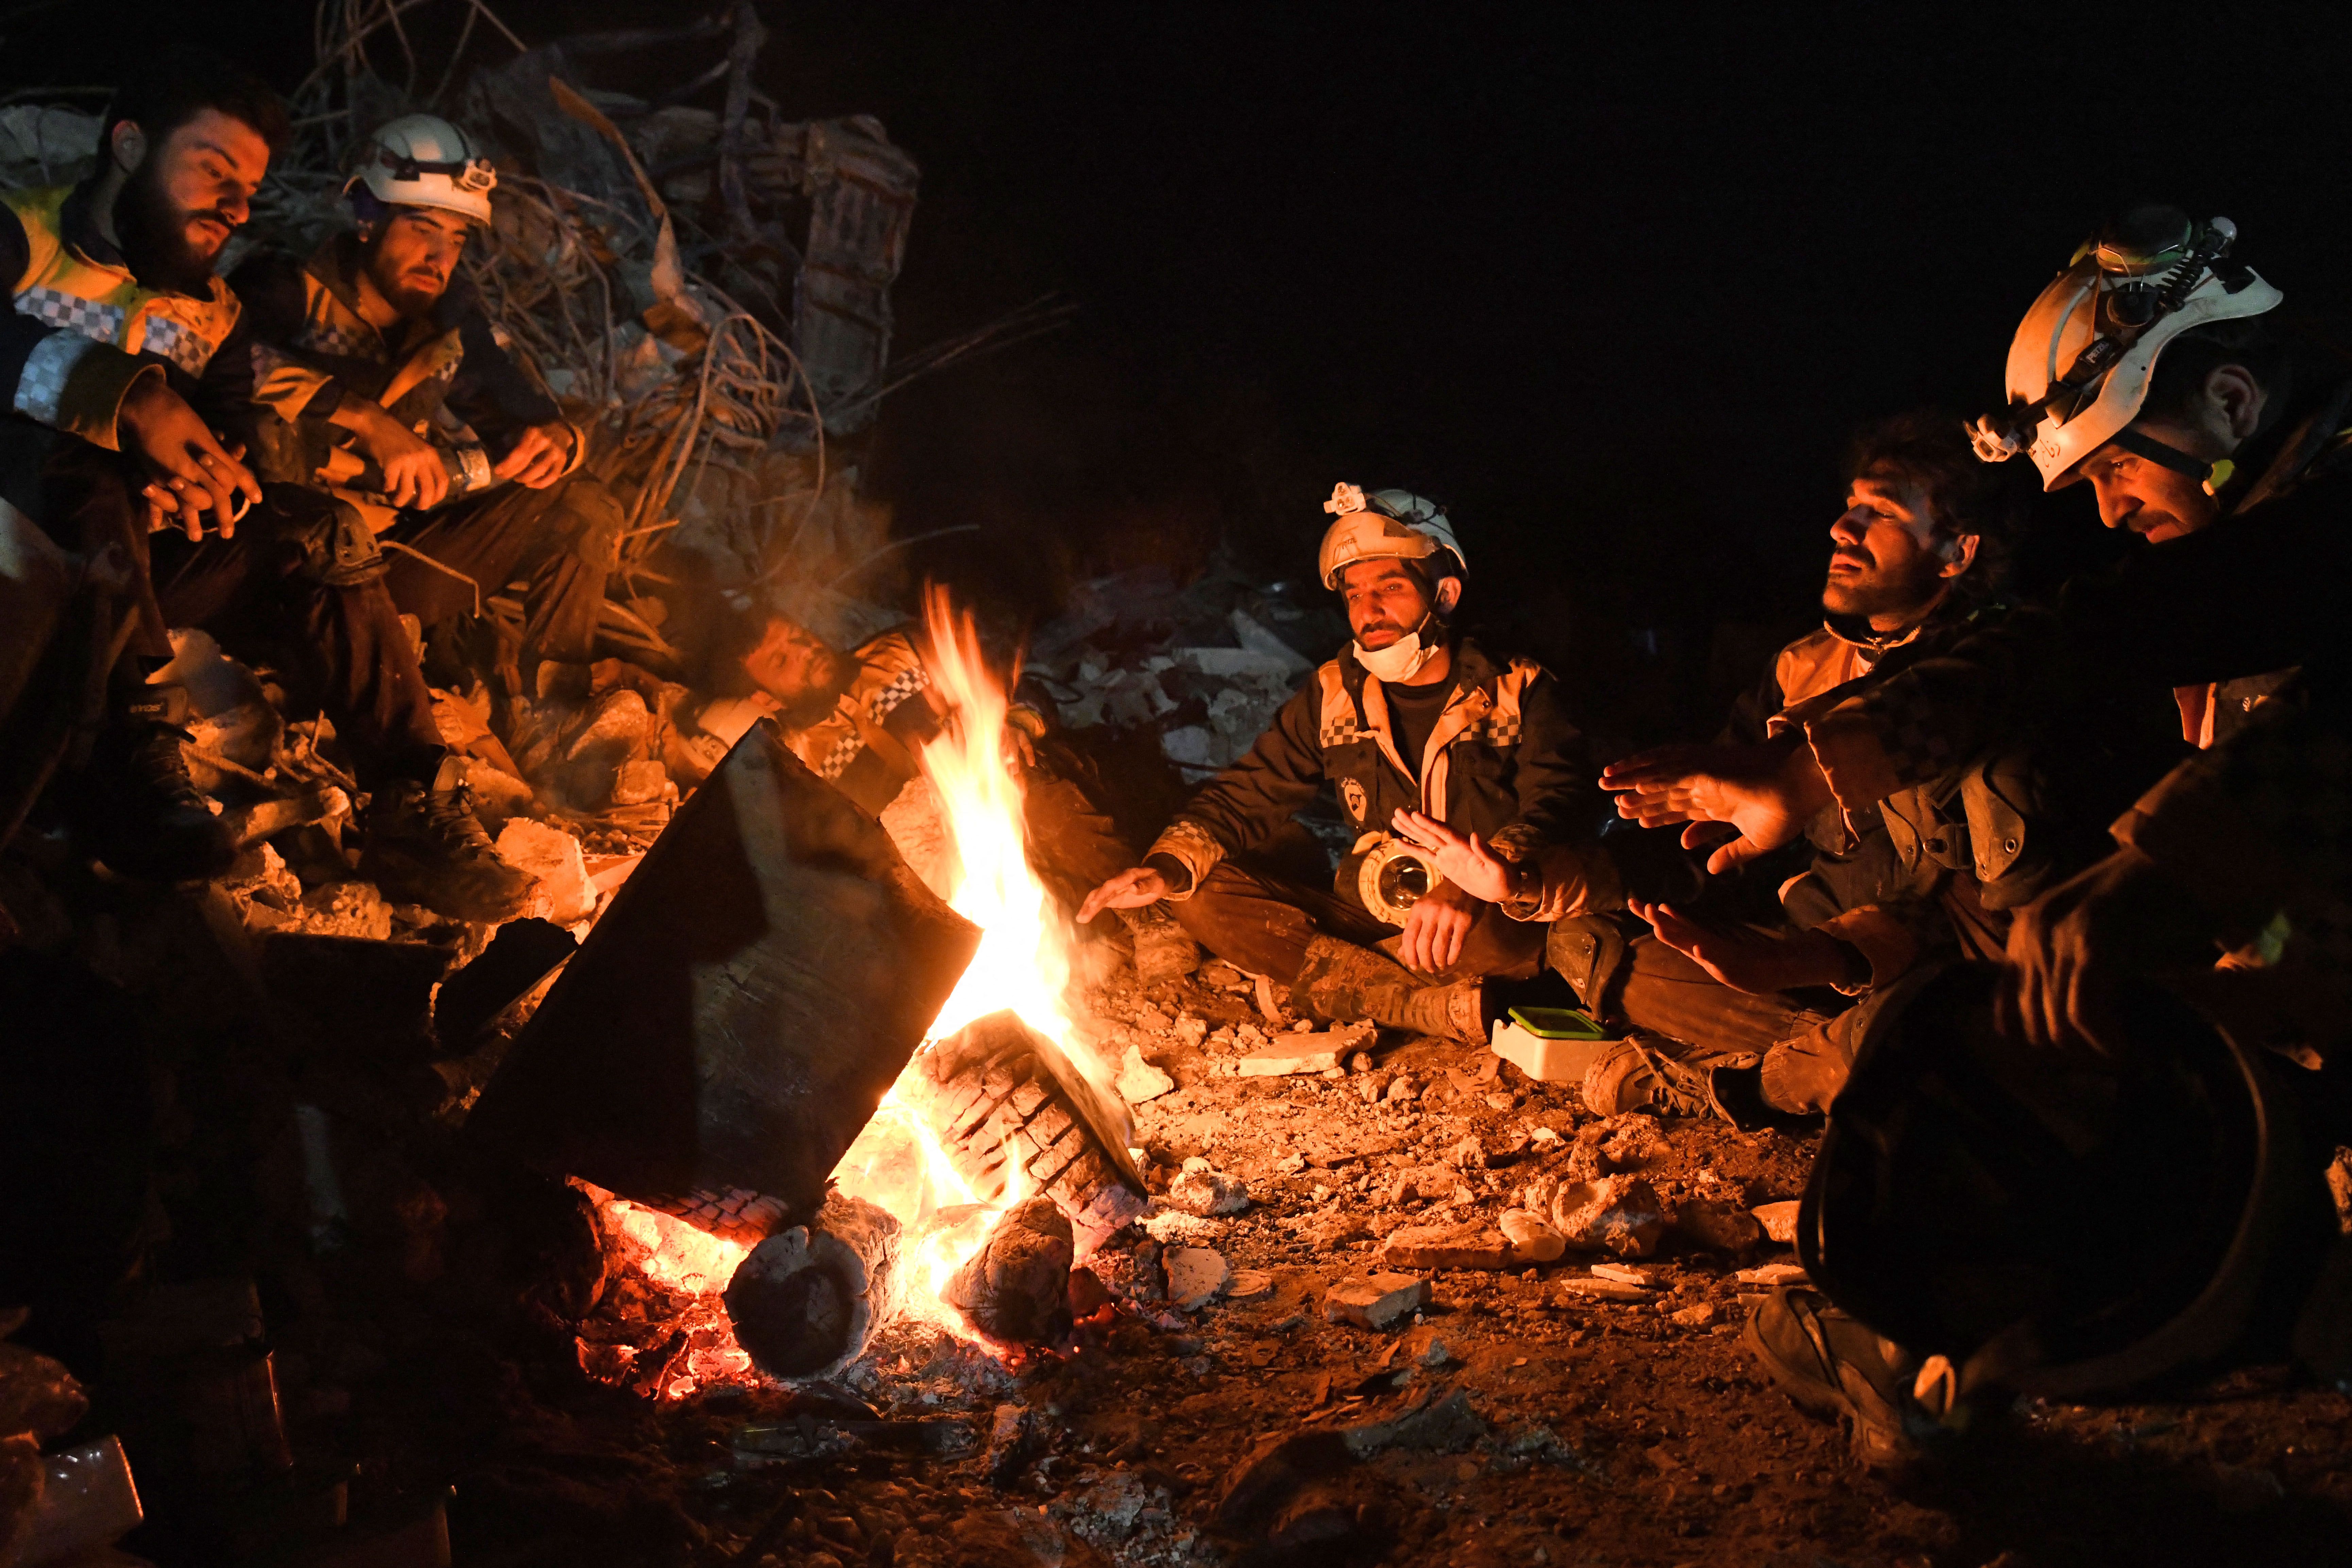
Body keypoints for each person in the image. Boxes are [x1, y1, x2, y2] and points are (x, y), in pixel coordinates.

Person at [1692, 207, 2352, 1469]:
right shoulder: (2271, 541)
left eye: (2114, 471)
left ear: (2223, 393)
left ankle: (1978, 1350)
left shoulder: (2318, 530)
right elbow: (2095, 631)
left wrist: (2166, 874)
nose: (2106, 514)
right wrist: (1818, 767)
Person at [1452, 414, 2036, 1121]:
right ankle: (1842, 1065)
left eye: (1879, 513)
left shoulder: (1994, 669)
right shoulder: (1801, 665)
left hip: (1927, 969)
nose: (1841, 530)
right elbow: (1699, 842)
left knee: (1937, 1007)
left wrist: (1799, 774)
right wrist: (1537, 879)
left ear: (1955, 552)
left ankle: (1841, 1069)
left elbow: (1960, 907)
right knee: (1591, 940)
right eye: (1849, 506)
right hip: (1816, 964)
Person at [1078, 483, 1609, 1043]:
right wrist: (1165, 866)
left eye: (1390, 587)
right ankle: (1413, 1003)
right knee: (1206, 894)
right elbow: (1251, 792)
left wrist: (1474, 885)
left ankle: (1351, 987)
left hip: (1477, 918)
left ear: (1445, 595)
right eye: (1354, 593)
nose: (1368, 610)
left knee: (1519, 936)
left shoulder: (1517, 687)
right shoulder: (1335, 693)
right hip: (1372, 916)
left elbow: (1561, 804)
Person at [0, 47, 275, 877]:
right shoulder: (22, 232)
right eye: (213, 170)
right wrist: (122, 398)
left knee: (322, 534)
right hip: (23, 534)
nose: (235, 207)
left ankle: (414, 794)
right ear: (128, 146)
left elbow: (234, 429)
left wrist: (216, 478)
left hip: (140, 557)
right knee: (87, 454)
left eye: (250, 194)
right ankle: (135, 751)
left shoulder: (215, 314)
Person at [224, 115, 623, 685]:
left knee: (579, 502)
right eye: (421, 229)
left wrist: (559, 439)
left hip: (393, 556)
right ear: (367, 215)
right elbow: (225, 360)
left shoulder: (446, 326)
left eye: (457, 239)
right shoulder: (287, 286)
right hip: (284, 567)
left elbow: (518, 407)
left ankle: (559, 708)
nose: (440, 257)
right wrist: (368, 421)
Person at [717, 599, 1171, 949]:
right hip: (956, 865)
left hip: (1019, 789)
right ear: (766, 700)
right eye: (781, 661)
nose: (804, 650)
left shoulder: (897, 652)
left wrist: (1013, 725)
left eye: (797, 636)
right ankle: (1093, 931)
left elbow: (1020, 691)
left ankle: (1150, 918)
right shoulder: (803, 760)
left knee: (1020, 781)